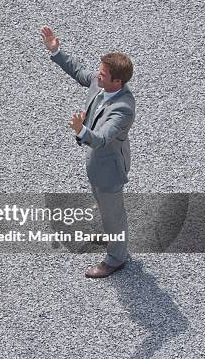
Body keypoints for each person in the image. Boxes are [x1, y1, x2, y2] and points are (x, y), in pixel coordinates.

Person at [41, 25, 135, 278]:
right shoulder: (101, 83)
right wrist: (56, 50)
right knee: (107, 207)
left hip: (109, 167)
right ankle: (115, 237)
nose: (97, 76)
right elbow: (80, 72)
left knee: (113, 212)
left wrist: (81, 129)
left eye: (103, 74)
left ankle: (116, 259)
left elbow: (103, 139)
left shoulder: (123, 108)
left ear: (118, 81)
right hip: (97, 163)